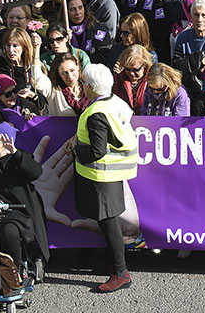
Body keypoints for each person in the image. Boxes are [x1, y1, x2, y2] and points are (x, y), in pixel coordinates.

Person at [74, 63, 137, 293]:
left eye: (83, 83)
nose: (82, 86)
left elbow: (97, 151)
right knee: (110, 223)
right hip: (112, 174)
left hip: (101, 175)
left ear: (90, 87)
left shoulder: (96, 114)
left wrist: (77, 151)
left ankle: (120, 273)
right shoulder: (116, 102)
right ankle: (115, 266)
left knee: (109, 224)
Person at [0, 122, 49, 276]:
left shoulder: (18, 158)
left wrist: (15, 153)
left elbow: (36, 172)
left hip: (17, 210)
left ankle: (16, 270)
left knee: (10, 231)